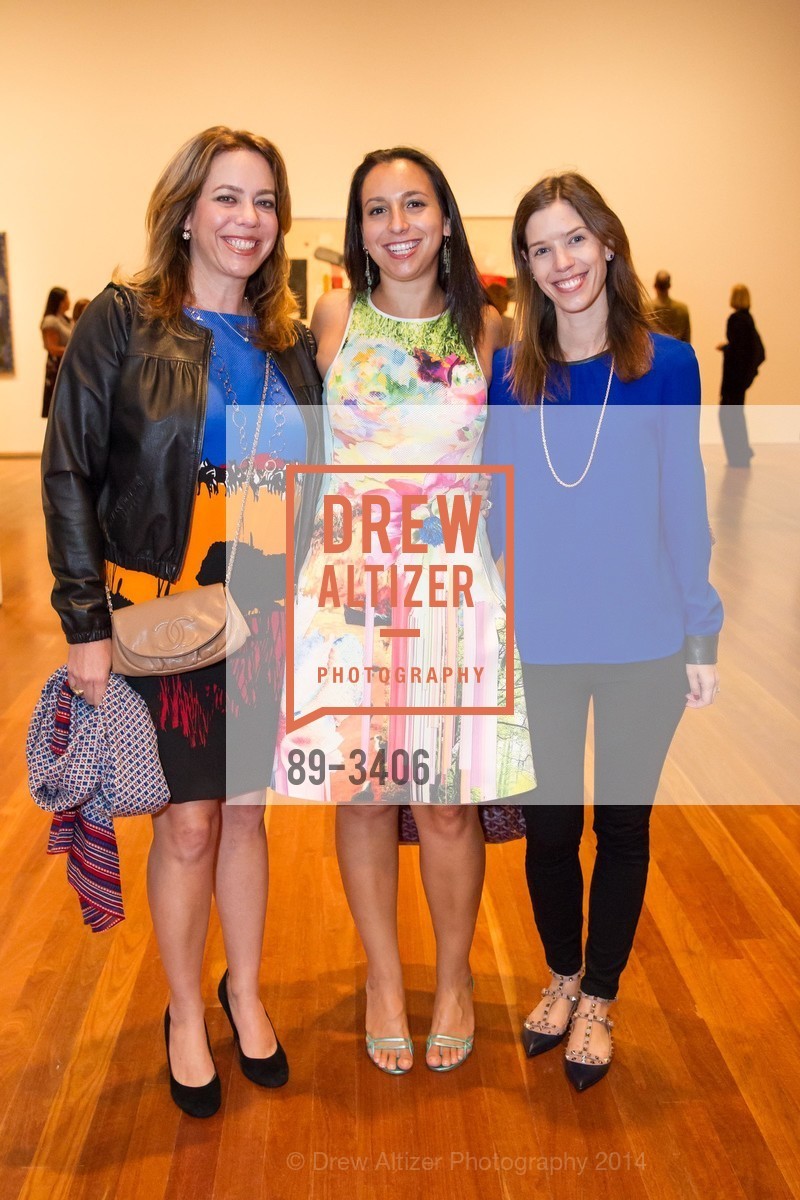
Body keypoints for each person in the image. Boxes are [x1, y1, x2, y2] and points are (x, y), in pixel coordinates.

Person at [41, 126, 322, 1117]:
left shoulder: (289, 344)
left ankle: (241, 992)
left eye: (264, 201)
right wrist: (83, 620)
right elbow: (69, 466)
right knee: (190, 827)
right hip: (157, 613)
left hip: (263, 611)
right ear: (186, 211)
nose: (247, 220)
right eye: (227, 198)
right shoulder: (122, 319)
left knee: (245, 817)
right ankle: (183, 1015)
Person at [274, 147, 534, 1075]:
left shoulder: (491, 328)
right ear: (360, 230)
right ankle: (386, 979)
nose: (398, 225)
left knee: (449, 806)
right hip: (347, 593)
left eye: (414, 204)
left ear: (447, 217)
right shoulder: (336, 317)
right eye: (377, 210)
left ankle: (454, 977)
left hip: (455, 591)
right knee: (366, 797)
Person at [484, 173, 722, 1091]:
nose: (561, 263)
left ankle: (601, 998)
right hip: (539, 641)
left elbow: (683, 501)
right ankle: (560, 976)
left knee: (622, 827)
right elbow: (495, 512)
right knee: (549, 833)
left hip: (643, 643)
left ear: (608, 244)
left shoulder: (667, 364)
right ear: (528, 266)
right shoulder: (511, 374)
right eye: (541, 248)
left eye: (574, 240)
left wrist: (701, 631)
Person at [717, 284, 764, 467]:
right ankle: (742, 453)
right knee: (736, 415)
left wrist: (727, 348)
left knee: (728, 415)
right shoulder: (748, 320)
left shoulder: (736, 320)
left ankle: (737, 455)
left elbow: (738, 351)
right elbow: (755, 351)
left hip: (733, 380)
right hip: (741, 380)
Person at [40, 287, 72, 418]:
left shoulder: (65, 319)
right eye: (66, 299)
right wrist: (72, 351)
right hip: (57, 367)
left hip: (66, 364)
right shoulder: (51, 321)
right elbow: (52, 348)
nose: (69, 301)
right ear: (60, 301)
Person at [649, 270, 691, 342]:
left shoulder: (645, 308)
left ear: (655, 286)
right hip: (676, 351)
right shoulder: (682, 309)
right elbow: (686, 340)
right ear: (669, 286)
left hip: (653, 351)